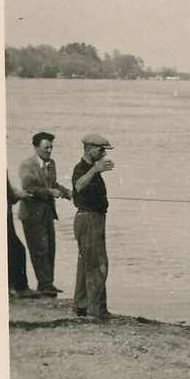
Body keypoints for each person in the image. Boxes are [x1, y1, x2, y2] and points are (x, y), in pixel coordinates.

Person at [18, 131, 72, 296]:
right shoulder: (27, 164)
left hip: (48, 213)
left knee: (50, 249)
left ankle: (47, 284)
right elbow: (29, 188)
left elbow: (53, 183)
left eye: (51, 147)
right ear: (36, 147)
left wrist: (66, 192)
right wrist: (50, 192)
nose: (49, 151)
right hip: (31, 215)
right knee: (38, 249)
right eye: (46, 147)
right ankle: (45, 284)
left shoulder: (51, 163)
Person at [71, 133, 115, 320]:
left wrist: (96, 170)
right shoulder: (82, 168)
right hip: (88, 220)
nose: (103, 153)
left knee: (86, 263)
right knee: (98, 264)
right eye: (100, 150)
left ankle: (81, 305)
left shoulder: (90, 169)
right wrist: (95, 170)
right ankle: (96, 310)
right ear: (89, 149)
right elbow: (78, 186)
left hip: (94, 219)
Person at [7, 174, 39, 299]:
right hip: (3, 216)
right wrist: (21, 195)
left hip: (4, 215)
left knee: (14, 249)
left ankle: (15, 286)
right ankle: (17, 287)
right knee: (16, 250)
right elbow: (10, 195)